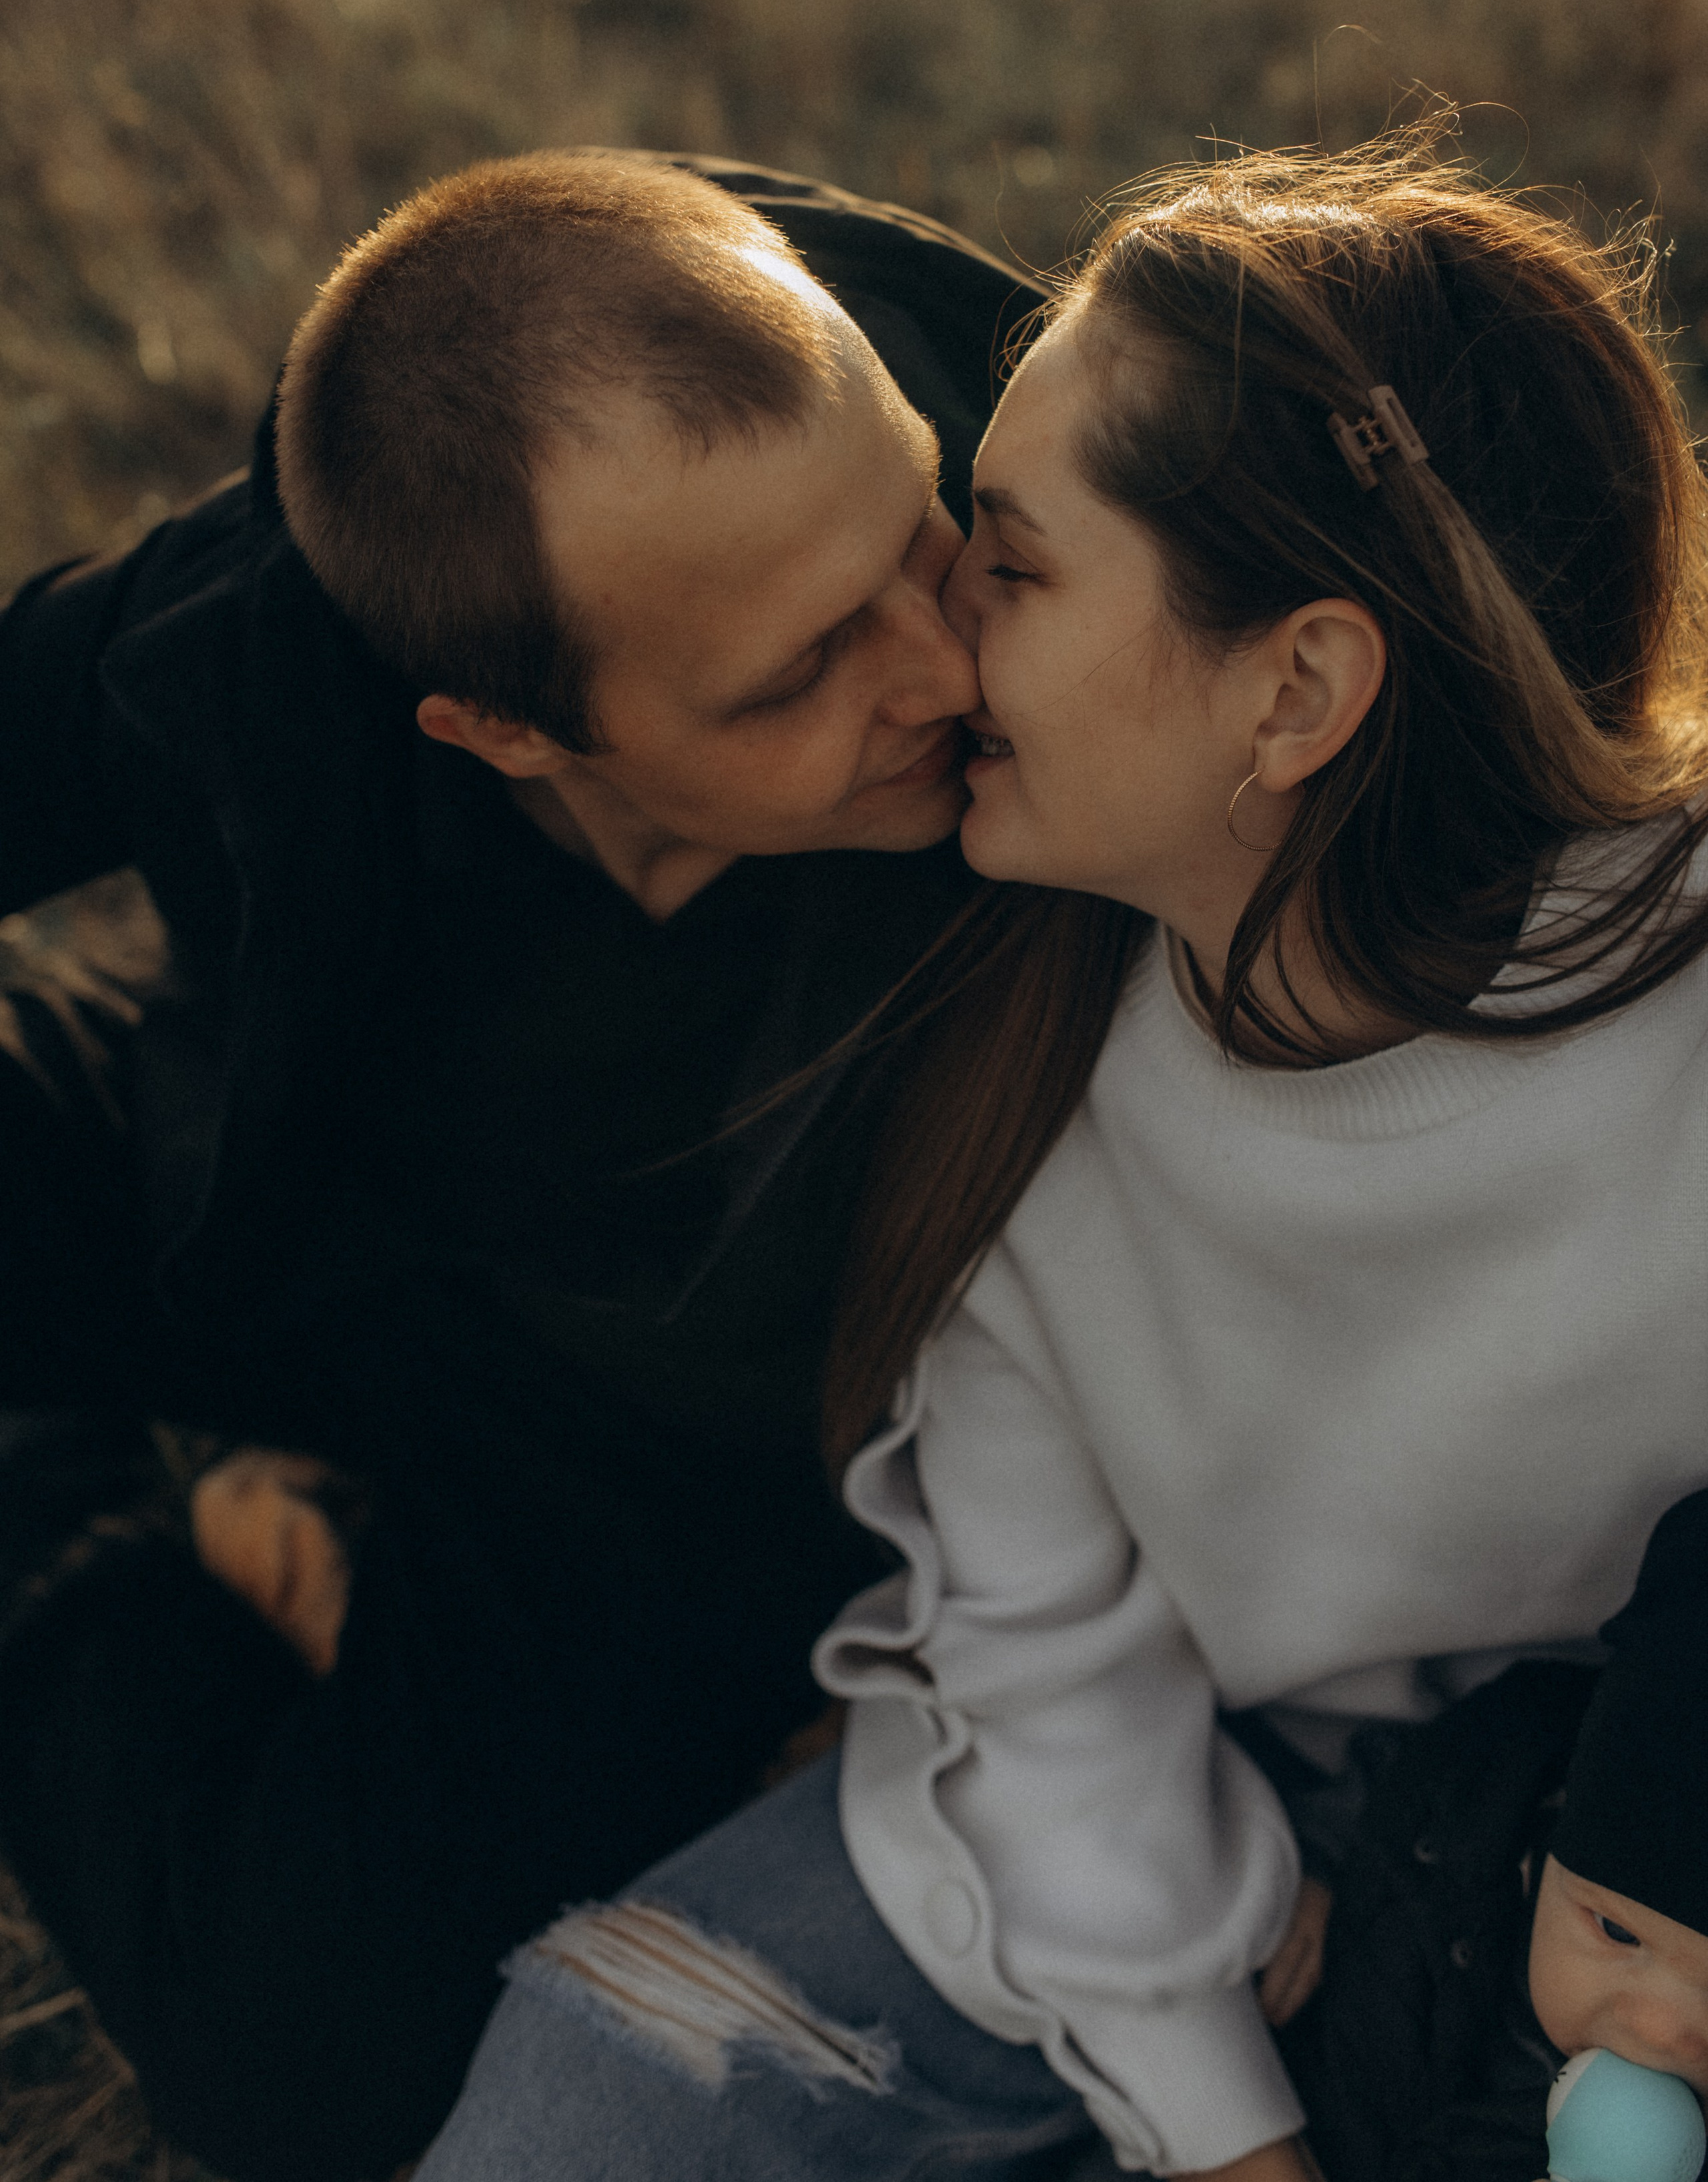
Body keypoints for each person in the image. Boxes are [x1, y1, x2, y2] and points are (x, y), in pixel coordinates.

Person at [410, 129, 1708, 2182]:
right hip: (1208, 1803)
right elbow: (1039, 1656)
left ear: (1292, 689)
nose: (938, 637)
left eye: (1003, 561)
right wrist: (1219, 2137)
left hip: (1650, 1833)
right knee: (576, 2104)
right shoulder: (1017, 1061)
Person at [0, 149, 1047, 2182]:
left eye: (923, 531)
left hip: (651, 1463)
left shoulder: (1084, 503)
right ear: (498, 728)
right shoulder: (296, 619)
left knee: (307, 2070)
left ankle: (57, 1525)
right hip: (274, 1210)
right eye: (799, 667)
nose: (937, 667)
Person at [1275, 1485, 1708, 2181]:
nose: (1659, 2028)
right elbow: (1389, 1799)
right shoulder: (1469, 1809)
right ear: (1548, 1850)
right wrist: (1307, 1870)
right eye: (1617, 1933)